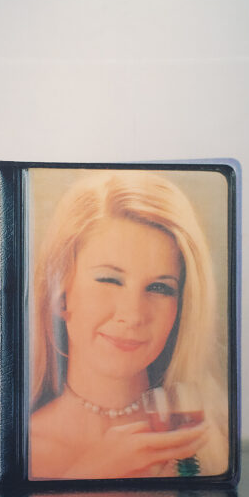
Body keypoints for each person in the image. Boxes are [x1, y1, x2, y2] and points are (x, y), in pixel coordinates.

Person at [29, 169, 229, 479]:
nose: (133, 315)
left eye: (160, 288)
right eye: (109, 280)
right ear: (60, 294)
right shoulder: (25, 447)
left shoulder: (215, 441)